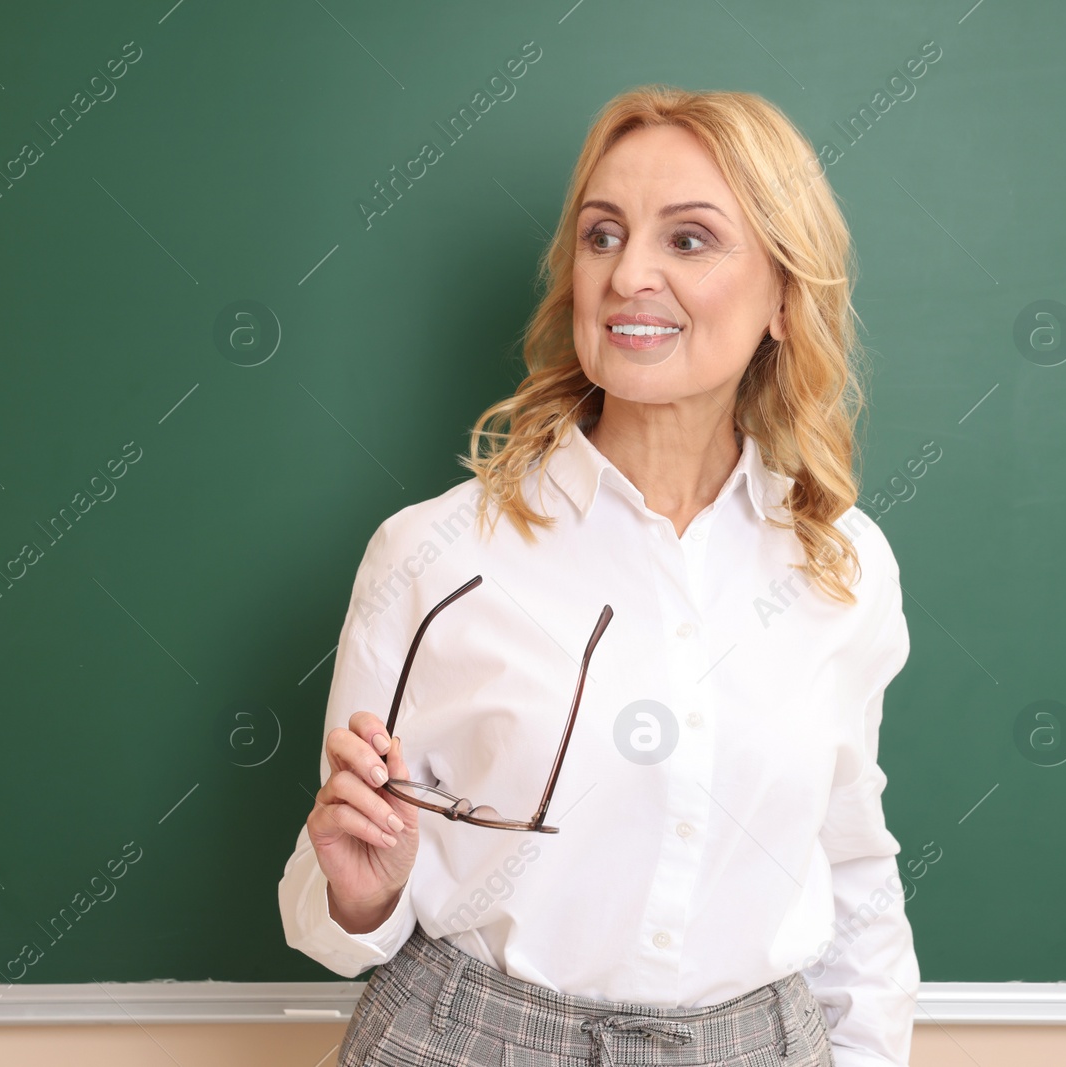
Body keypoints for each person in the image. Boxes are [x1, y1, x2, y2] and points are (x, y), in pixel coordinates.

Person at [279, 84, 918, 1067]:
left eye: (690, 240)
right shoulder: (430, 553)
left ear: (785, 297)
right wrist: (362, 890)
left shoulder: (841, 565)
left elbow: (854, 873)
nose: (629, 276)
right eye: (603, 235)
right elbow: (323, 906)